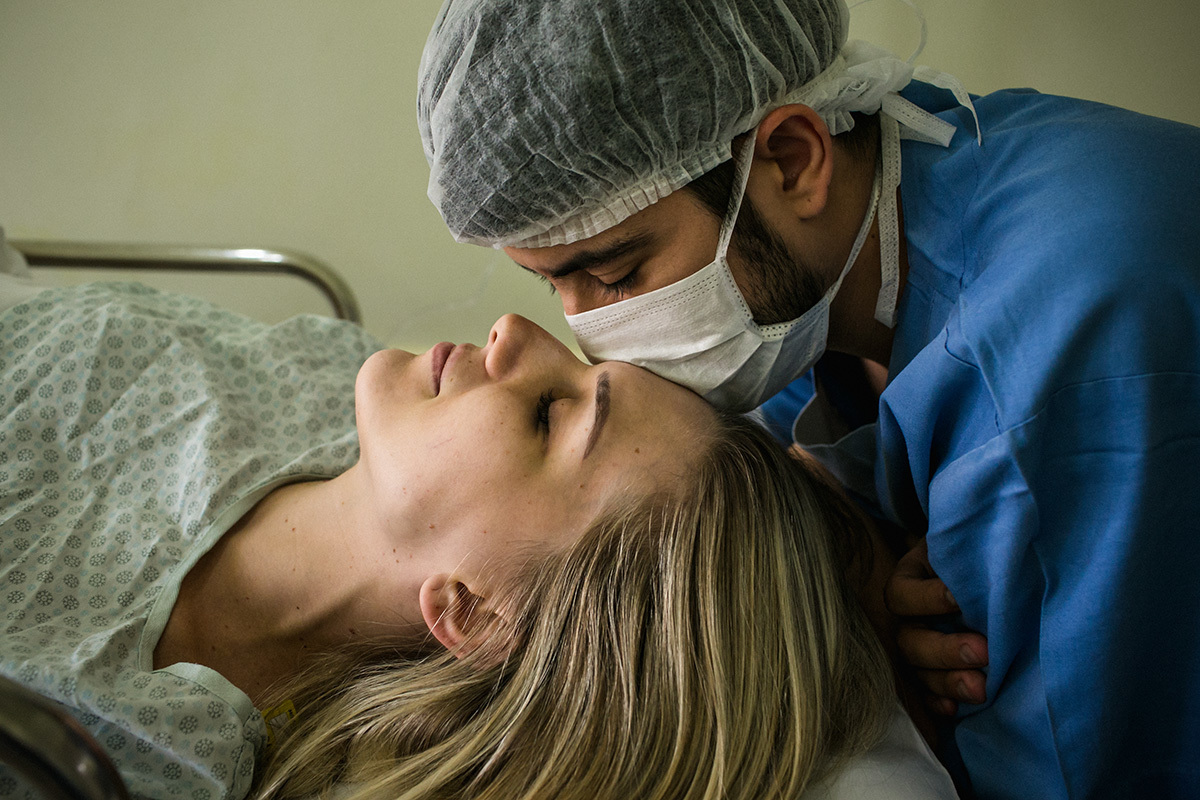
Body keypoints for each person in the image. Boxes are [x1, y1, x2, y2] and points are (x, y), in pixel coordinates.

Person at [416, 0, 1200, 797]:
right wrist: (868, 585)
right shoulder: (824, 266)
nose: (591, 331)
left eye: (617, 275)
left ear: (794, 158)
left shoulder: (1062, 355)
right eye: (553, 284)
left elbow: (1074, 767)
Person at [0, 258, 956, 799]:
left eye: (549, 415)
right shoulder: (256, 372)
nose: (509, 331)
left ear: (476, 615)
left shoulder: (143, 757)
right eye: (578, 366)